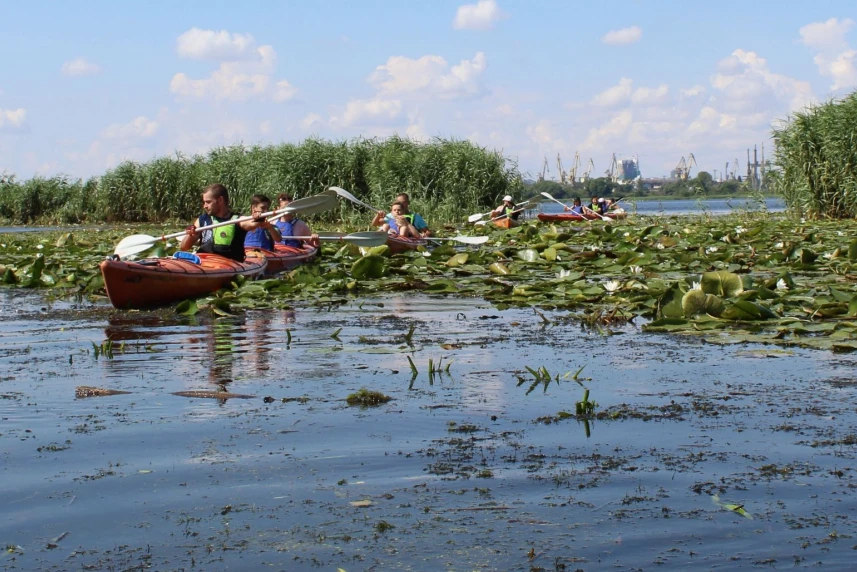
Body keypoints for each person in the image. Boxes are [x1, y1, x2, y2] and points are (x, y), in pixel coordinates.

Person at [181, 183, 270, 262]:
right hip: (204, 261)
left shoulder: (237, 220)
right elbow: (184, 247)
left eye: (208, 202)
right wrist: (190, 234)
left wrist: (259, 217)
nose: (205, 206)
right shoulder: (202, 220)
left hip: (228, 263)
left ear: (220, 200)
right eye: (204, 202)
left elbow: (252, 223)